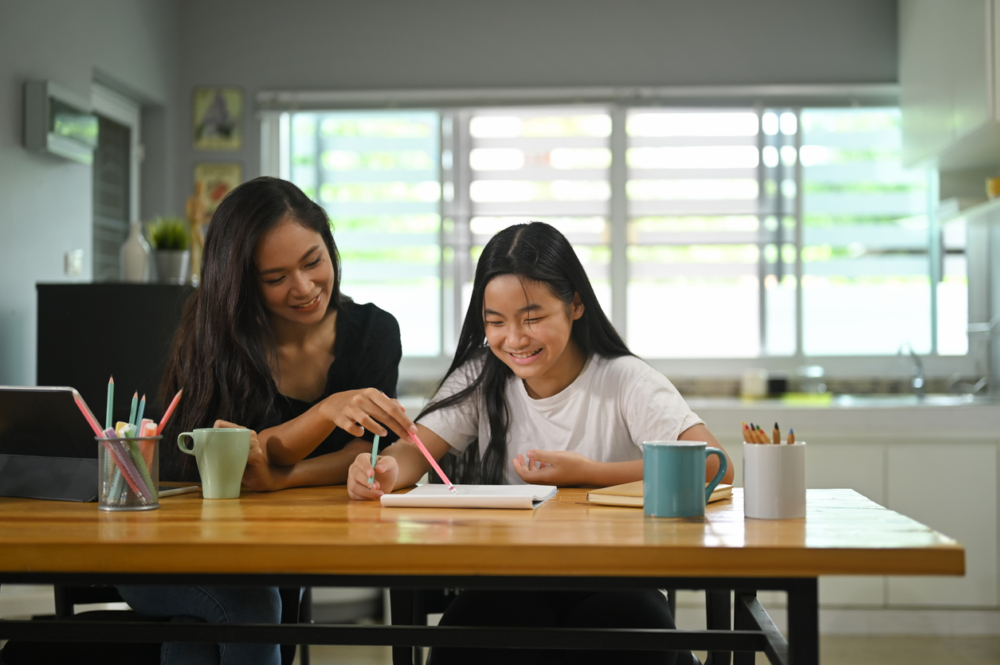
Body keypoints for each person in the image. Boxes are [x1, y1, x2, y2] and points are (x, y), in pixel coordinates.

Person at [347, 221, 734, 665]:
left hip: (619, 577)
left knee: (633, 640)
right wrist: (386, 471)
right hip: (506, 577)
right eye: (495, 322)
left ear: (575, 305)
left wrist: (589, 475)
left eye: (532, 318)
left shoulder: (623, 379)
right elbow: (416, 450)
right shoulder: (481, 377)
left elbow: (712, 464)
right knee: (464, 644)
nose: (514, 339)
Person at [118, 176, 417, 665]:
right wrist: (323, 414)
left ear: (330, 247)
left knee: (205, 628)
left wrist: (280, 478)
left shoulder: (372, 333)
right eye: (275, 279)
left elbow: (362, 453)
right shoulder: (216, 334)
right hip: (177, 546)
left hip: (277, 554)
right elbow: (233, 466)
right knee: (250, 604)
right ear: (240, 281)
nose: (304, 288)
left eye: (313, 261)